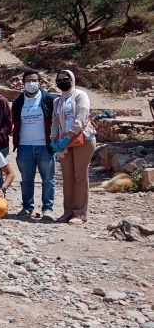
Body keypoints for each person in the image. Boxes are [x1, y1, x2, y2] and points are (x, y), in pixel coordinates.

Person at [51, 70, 96, 225]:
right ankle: (67, 211)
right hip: (64, 142)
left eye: (65, 79)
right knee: (67, 177)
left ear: (72, 79)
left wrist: (69, 136)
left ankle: (80, 213)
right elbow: (55, 122)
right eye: (59, 79)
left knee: (80, 175)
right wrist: (53, 138)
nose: (62, 82)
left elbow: (82, 117)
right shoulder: (57, 101)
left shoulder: (80, 95)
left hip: (81, 139)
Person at [13, 70, 57, 219]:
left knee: (48, 179)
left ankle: (48, 209)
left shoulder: (49, 99)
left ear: (39, 82)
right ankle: (27, 207)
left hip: (45, 146)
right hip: (24, 146)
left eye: (34, 80)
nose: (31, 83)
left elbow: (55, 121)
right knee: (26, 179)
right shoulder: (18, 102)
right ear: (23, 83)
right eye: (28, 81)